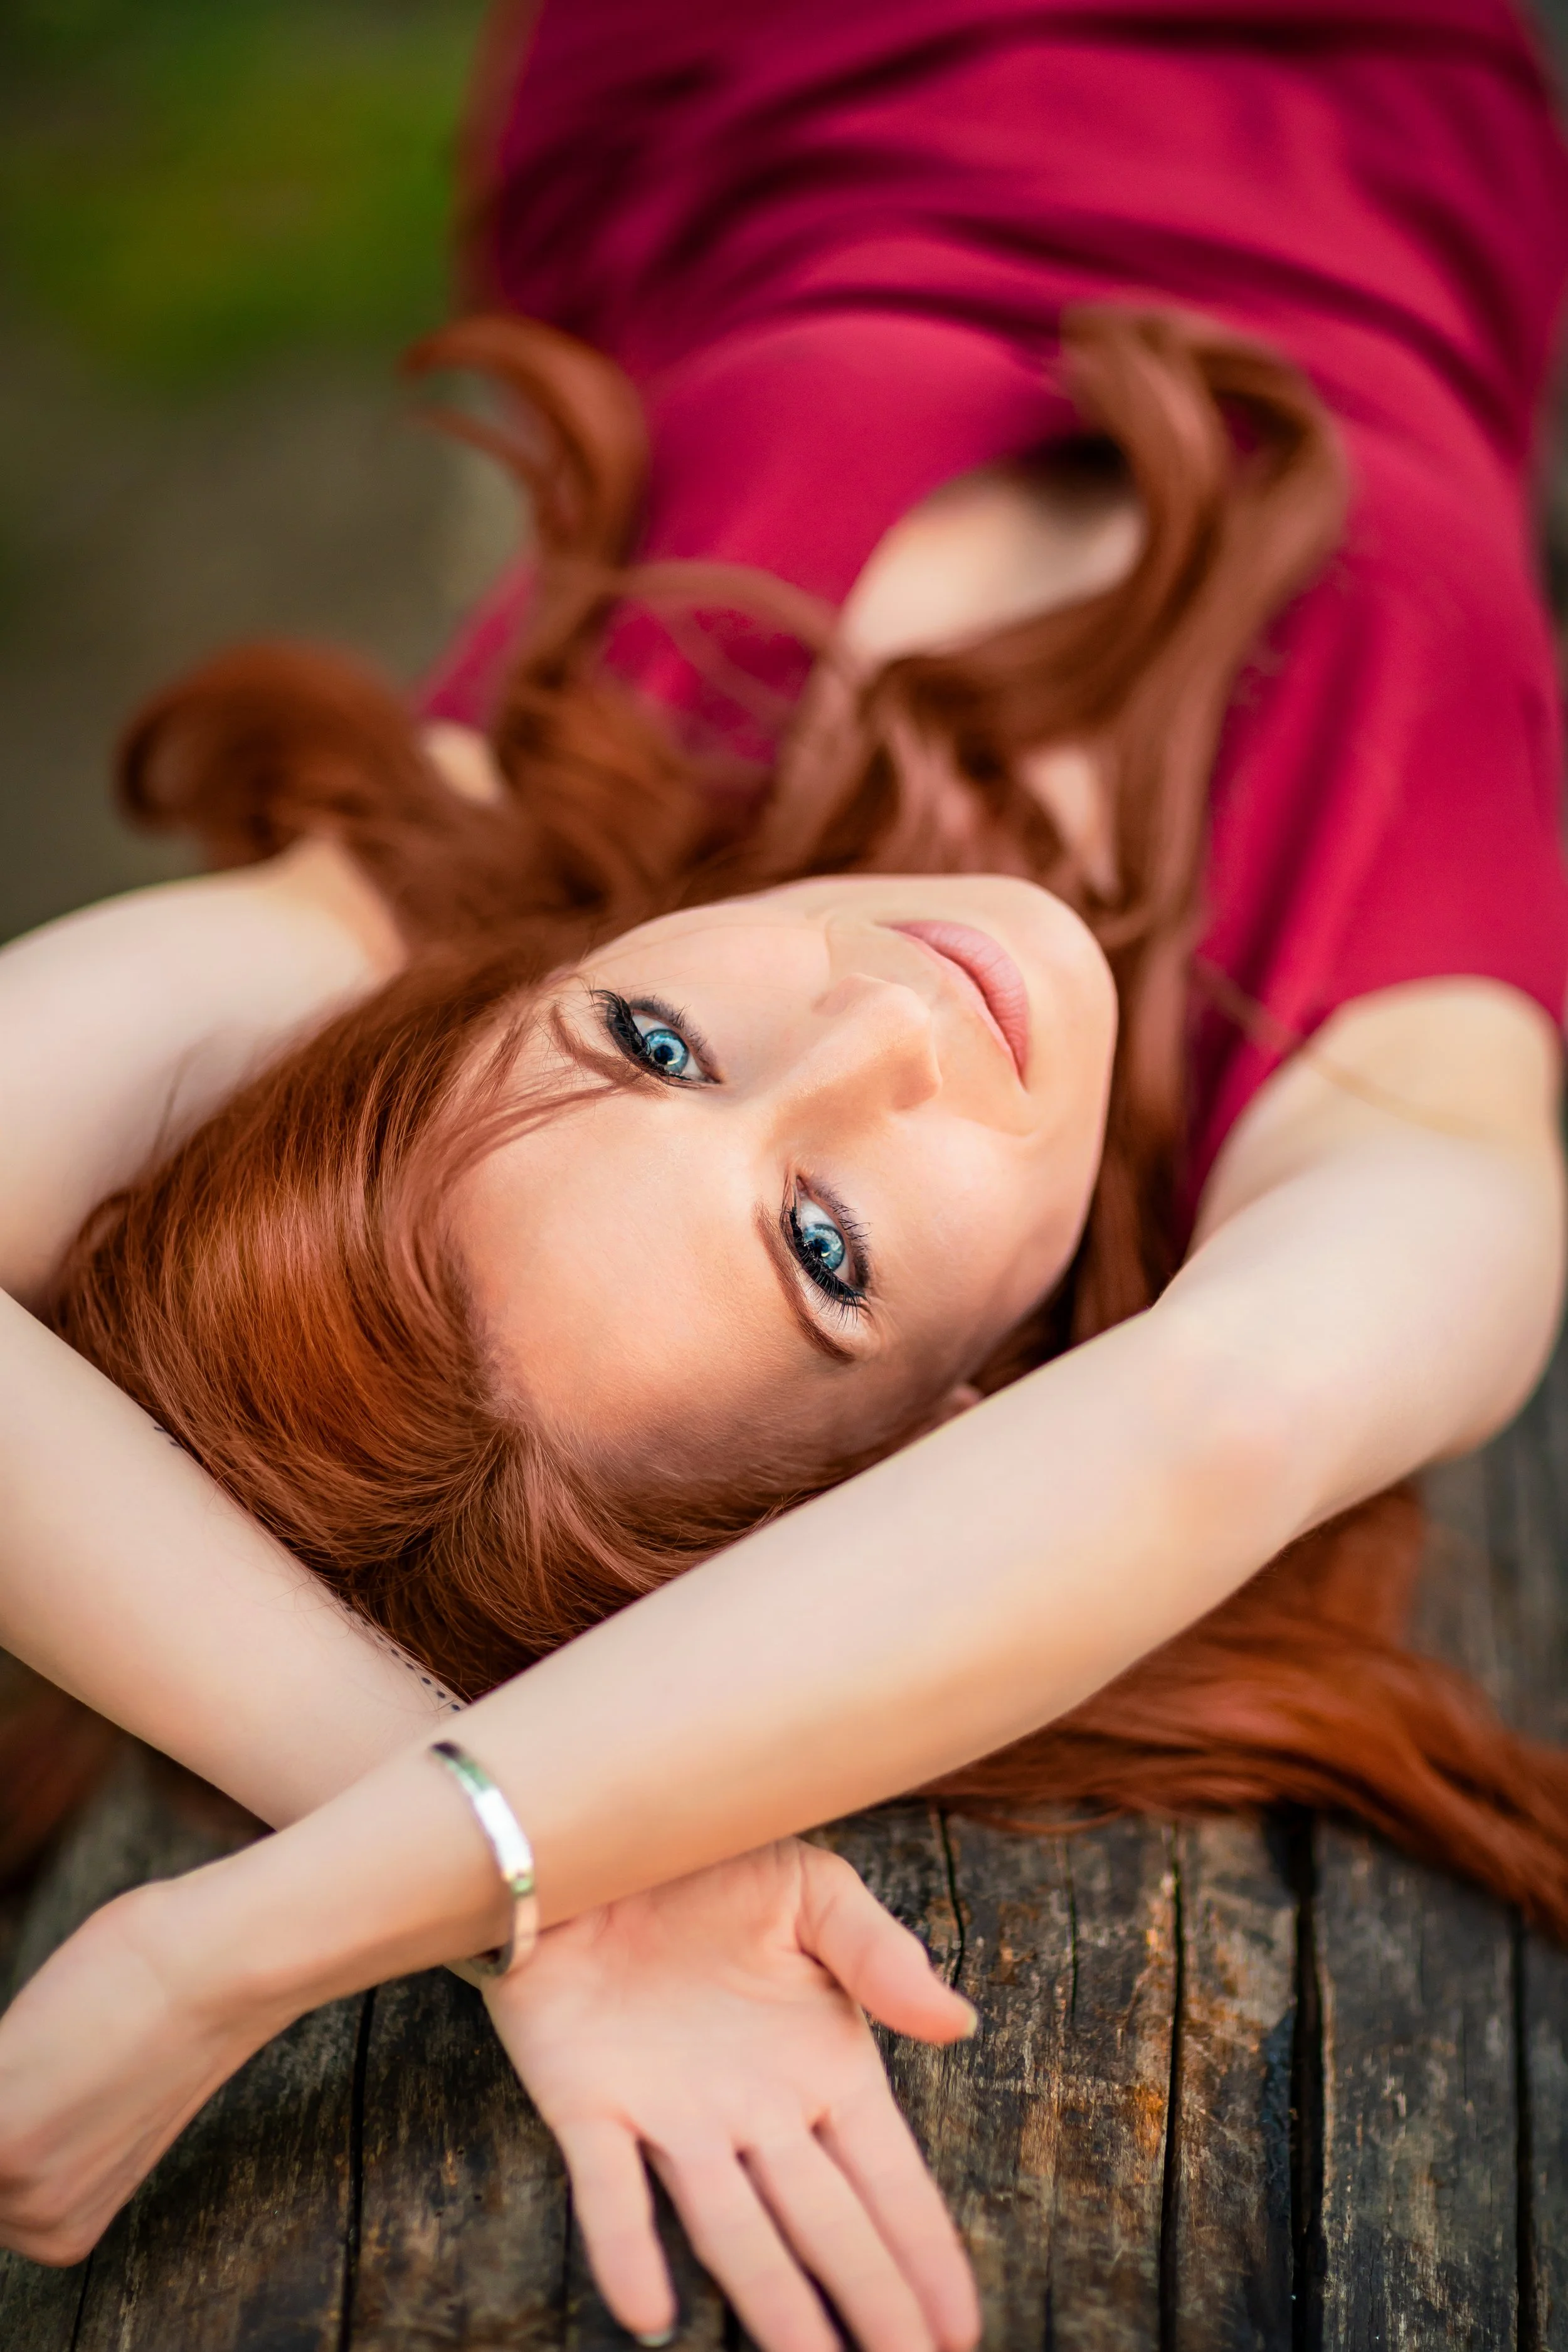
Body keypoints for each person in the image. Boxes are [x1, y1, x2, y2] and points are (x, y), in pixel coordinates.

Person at [3, 2, 1568, 2346]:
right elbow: (1213, 1425)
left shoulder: (485, 861)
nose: (877, 1016)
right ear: (953, 1439)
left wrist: (368, 1868)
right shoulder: (1380, 1101)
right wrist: (458, 1881)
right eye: (824, 1248)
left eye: (647, 1043)